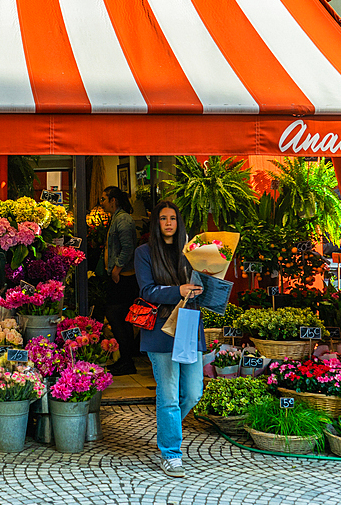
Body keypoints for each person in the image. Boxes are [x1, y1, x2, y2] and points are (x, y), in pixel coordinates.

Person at [134, 200, 204, 478]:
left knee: (194, 392)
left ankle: (167, 427)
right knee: (169, 396)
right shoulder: (144, 252)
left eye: (172, 218)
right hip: (160, 330)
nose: (168, 222)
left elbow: (202, 284)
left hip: (189, 326)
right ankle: (171, 453)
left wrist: (204, 288)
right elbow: (147, 291)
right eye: (162, 218)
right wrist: (180, 290)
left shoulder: (191, 253)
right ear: (156, 223)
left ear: (179, 222)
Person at [99, 186, 138, 375]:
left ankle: (127, 361)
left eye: (104, 199)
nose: (102, 202)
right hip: (119, 276)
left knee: (117, 316)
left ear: (113, 200)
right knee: (121, 319)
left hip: (124, 278)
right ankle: (125, 360)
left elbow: (128, 247)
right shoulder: (117, 218)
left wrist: (117, 269)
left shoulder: (123, 219)